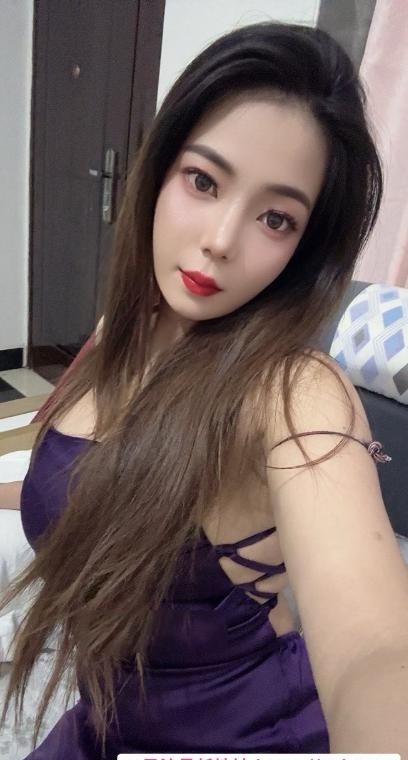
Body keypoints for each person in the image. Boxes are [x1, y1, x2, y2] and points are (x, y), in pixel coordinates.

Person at [1, 20, 408, 759]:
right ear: (158, 170)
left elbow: (376, 655)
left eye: (276, 218)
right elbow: (83, 486)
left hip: (240, 735)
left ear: (305, 246)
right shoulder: (122, 332)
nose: (221, 238)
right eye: (204, 180)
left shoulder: (290, 390)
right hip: (105, 722)